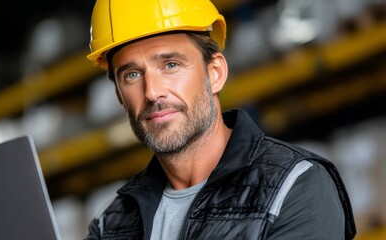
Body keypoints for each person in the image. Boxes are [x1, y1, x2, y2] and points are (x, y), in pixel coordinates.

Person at [84, 0, 356, 239]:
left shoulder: (295, 187)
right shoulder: (113, 223)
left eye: (171, 65)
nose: (152, 91)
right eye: (131, 74)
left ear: (215, 74)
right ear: (120, 96)